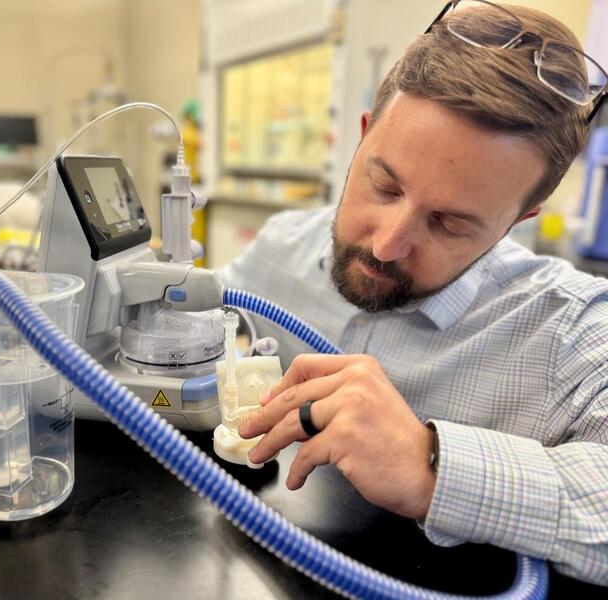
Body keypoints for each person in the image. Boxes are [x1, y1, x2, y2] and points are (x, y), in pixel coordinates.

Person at [219, 1, 608, 585]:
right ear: (363, 137)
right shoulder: (282, 246)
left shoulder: (570, 331)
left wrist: (433, 466)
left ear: (516, 220)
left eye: (450, 223)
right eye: (384, 184)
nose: (386, 244)